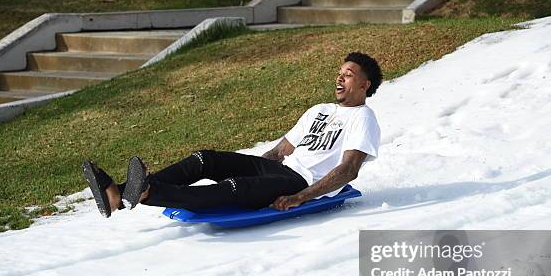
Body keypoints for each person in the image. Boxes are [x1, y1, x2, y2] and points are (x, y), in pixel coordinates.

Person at [82, 52, 382, 218]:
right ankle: (119, 195)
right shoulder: (320, 109)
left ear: (364, 85)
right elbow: (279, 152)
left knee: (233, 187)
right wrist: (252, 173)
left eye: (348, 74)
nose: (338, 77)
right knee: (208, 159)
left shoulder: (364, 118)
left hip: (301, 182)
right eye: (339, 72)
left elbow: (348, 170)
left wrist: (299, 197)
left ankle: (142, 193)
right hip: (281, 170)